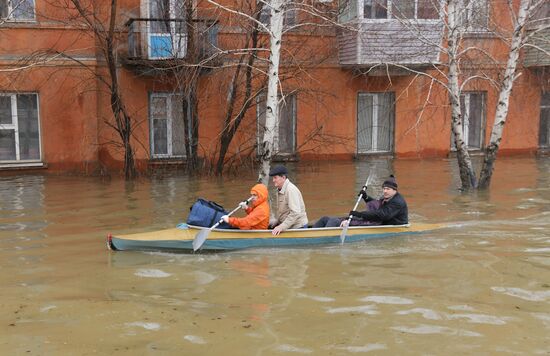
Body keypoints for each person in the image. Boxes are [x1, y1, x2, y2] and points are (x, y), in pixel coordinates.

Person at [312, 175, 408, 228]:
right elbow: (377, 205)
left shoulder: (397, 202)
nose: (385, 191)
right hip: (377, 220)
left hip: (384, 224)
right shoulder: (388, 197)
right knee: (325, 219)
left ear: (395, 190)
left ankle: (323, 237)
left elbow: (381, 215)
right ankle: (309, 232)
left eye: (388, 189)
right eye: (384, 188)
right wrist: (366, 197)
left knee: (334, 221)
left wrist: (359, 214)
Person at [269, 165, 308, 235]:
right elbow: (284, 211)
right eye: (273, 178)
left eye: (275, 178)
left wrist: (281, 227)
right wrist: (277, 222)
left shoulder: (290, 190)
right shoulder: (279, 189)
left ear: (283, 177)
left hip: (298, 228)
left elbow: (295, 213)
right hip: (289, 226)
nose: (273, 180)